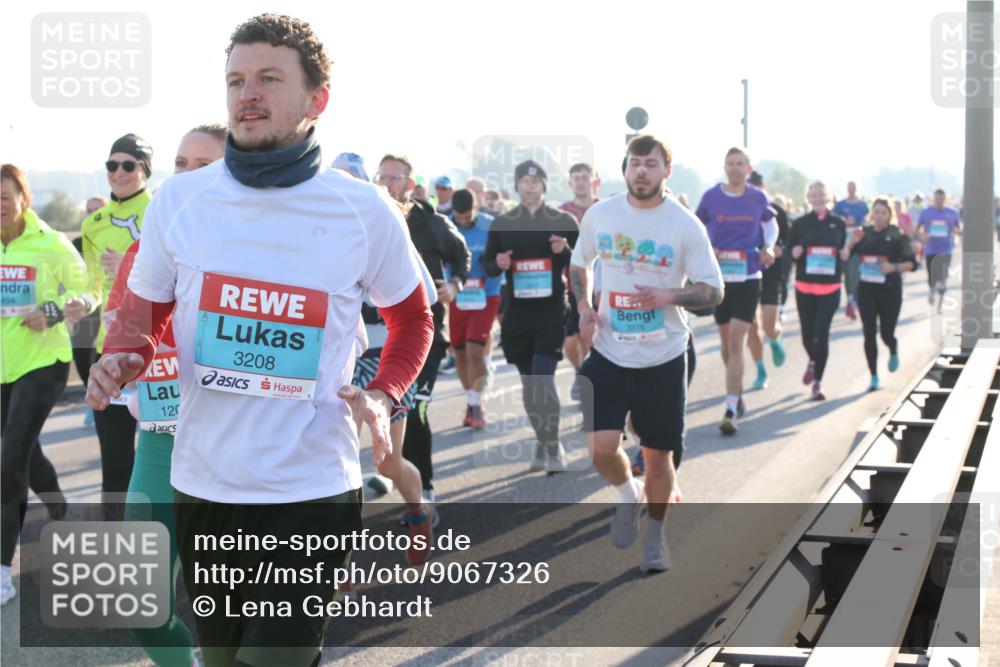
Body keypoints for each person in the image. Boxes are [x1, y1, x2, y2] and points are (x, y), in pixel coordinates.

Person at [86, 14, 433, 666]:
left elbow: (413, 318)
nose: (248, 92)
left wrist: (384, 395)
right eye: (236, 79)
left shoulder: (361, 210)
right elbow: (144, 312)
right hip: (202, 482)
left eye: (270, 78)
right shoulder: (181, 202)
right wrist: (122, 358)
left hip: (310, 486)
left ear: (316, 100)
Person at [571, 135, 723, 572]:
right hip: (609, 350)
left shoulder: (684, 224)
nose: (641, 170)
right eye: (635, 163)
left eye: (650, 164)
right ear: (625, 169)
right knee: (601, 450)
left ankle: (656, 536)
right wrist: (583, 307)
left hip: (663, 356)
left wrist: (668, 295)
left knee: (659, 456)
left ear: (665, 172)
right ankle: (627, 493)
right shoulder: (601, 215)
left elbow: (714, 290)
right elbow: (580, 263)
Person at [108, 124, 226, 667]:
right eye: (180, 164)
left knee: (244, 612)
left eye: (203, 165)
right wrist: (112, 365)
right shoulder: (140, 253)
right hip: (159, 445)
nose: (186, 175)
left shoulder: (269, 253)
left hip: (238, 449)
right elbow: (119, 338)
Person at [1, 164, 94, 605]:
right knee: (23, 451)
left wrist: (57, 310)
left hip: (43, 362)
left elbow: (89, 291)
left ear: (24, 199)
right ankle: (59, 509)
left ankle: (2, 569)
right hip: (2, 366)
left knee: (10, 457)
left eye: (4, 196)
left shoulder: (51, 244)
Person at [375, 154, 470, 519]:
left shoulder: (433, 224)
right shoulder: (373, 220)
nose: (386, 184)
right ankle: (392, 473)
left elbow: (462, 255)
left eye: (394, 178)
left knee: (416, 412)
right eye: (381, 177)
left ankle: (423, 486)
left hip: (424, 336)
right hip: (379, 338)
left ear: (410, 185)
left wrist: (456, 284)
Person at [484, 159, 578, 472]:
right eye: (523, 180)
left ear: (544, 185)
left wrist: (564, 251)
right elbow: (487, 264)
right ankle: (543, 438)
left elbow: (585, 262)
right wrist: (498, 262)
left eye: (535, 181)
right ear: (516, 185)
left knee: (542, 377)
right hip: (518, 314)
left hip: (551, 311)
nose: (529, 185)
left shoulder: (562, 220)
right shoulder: (504, 223)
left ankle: (554, 446)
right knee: (528, 382)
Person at [80, 132, 154, 520]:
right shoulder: (92, 223)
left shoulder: (163, 212)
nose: (119, 172)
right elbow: (92, 288)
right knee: (115, 458)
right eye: (112, 165)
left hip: (161, 355)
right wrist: (79, 303)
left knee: (164, 457)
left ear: (145, 170)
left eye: (129, 165)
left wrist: (130, 267)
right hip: (110, 349)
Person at [694, 147, 777, 435]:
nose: (735, 168)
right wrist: (708, 250)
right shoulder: (711, 197)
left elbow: (771, 224)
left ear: (748, 167)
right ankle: (737, 391)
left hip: (749, 274)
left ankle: (730, 407)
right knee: (726, 340)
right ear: (725, 167)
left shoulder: (757, 196)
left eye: (740, 163)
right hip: (719, 278)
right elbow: (697, 226)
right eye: (731, 163)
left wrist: (767, 247)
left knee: (737, 341)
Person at [846, 197, 917, 391]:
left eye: (883, 213)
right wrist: (851, 242)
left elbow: (912, 264)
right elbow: (845, 256)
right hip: (867, 290)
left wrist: (892, 267)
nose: (878, 216)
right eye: (876, 212)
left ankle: (893, 348)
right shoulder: (863, 234)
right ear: (871, 214)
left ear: (889, 216)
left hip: (890, 291)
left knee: (886, 333)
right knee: (869, 333)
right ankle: (874, 376)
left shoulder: (897, 236)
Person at [789, 181, 850, 401]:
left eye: (821, 194)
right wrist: (794, 252)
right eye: (813, 194)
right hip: (804, 286)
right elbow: (790, 249)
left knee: (821, 335)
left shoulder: (838, 223)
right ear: (808, 198)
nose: (817, 198)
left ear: (828, 197)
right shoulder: (801, 223)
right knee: (807, 336)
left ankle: (818, 382)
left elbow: (844, 250)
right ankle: (813, 360)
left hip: (830, 287)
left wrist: (844, 254)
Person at [446, 189, 500, 430]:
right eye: (459, 217)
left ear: (475, 208)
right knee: (459, 353)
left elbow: (501, 254)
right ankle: (471, 400)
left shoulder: (490, 226)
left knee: (473, 350)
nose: (463, 222)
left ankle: (478, 405)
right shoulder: (446, 225)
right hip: (458, 296)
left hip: (487, 294)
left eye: (467, 217)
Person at [560, 163, 601, 401]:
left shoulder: (605, 209)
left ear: (595, 181)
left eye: (585, 177)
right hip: (572, 287)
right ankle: (580, 370)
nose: (580, 182)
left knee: (590, 337)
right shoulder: (563, 212)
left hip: (602, 286)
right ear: (569, 183)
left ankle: (589, 380)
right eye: (575, 178)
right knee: (569, 342)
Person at [746, 171, 789, 376]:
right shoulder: (740, 209)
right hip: (747, 274)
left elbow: (788, 244)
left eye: (755, 187)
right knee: (752, 328)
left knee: (769, 326)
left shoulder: (777, 211)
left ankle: (775, 339)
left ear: (762, 185)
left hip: (771, 274)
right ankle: (760, 369)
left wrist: (776, 250)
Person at [72, 196, 109, 427]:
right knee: (80, 356)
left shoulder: (113, 237)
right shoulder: (77, 243)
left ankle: (102, 402)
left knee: (100, 355)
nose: (91, 213)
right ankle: (92, 395)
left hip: (106, 306)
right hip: (84, 305)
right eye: (88, 210)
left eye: (97, 209)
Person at [917, 188, 962, 312]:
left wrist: (955, 231)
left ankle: (940, 306)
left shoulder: (952, 212)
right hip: (930, 249)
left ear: (945, 199)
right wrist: (922, 236)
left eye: (941, 198)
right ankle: (931, 290)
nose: (939, 201)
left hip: (946, 249)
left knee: (942, 278)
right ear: (934, 198)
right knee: (932, 277)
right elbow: (918, 228)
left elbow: (959, 228)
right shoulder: (926, 212)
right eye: (937, 198)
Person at [832, 181, 869, 320]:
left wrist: (861, 226)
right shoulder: (840, 205)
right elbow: (834, 219)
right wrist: (844, 221)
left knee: (855, 273)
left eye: (854, 188)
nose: (851, 190)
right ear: (847, 189)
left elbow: (867, 222)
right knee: (847, 274)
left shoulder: (862, 206)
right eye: (849, 188)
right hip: (843, 242)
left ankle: (854, 300)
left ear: (857, 189)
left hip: (857, 244)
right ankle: (850, 298)